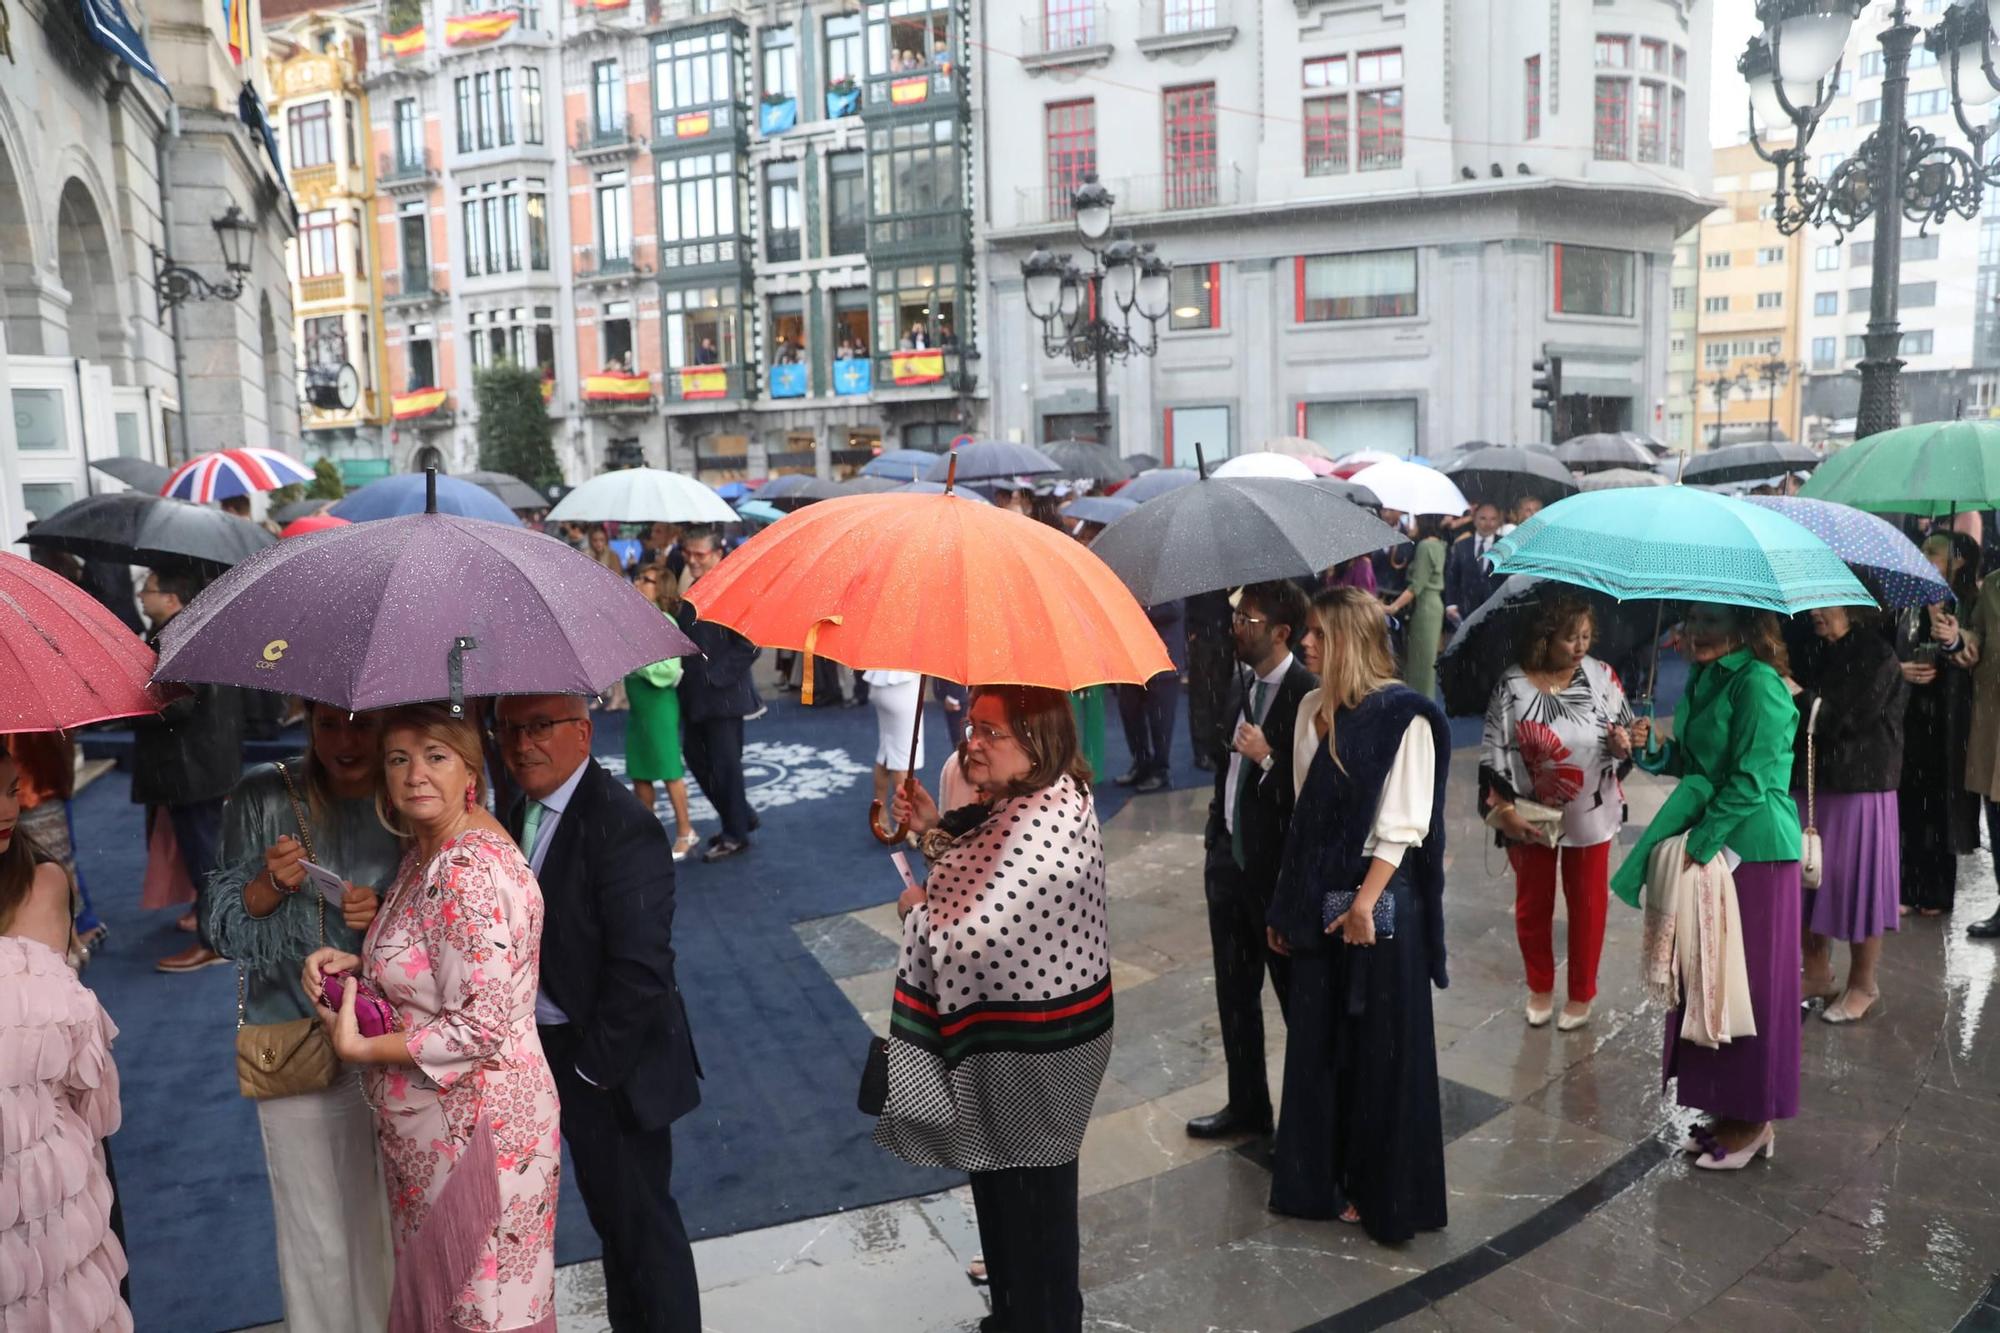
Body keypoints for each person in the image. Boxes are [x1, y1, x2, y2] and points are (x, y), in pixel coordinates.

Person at [303, 704, 559, 1332]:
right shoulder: (428, 851)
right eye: (399, 759)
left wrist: (363, 1048)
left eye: (435, 756)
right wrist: (358, 975)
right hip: (441, 1128)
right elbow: (435, 973)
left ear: (470, 768)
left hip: (476, 1129)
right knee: (456, 1304)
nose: (416, 774)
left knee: (482, 1311)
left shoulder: (463, 869)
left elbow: (479, 1026)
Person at [878, 686, 1109, 1331]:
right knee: (1007, 1200)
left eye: (990, 732)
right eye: (971, 726)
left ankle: (1037, 1319)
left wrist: (917, 911)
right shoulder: (1037, 798)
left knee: (1031, 1217)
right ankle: (1013, 1313)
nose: (971, 743)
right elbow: (980, 861)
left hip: (1035, 1058)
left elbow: (973, 936)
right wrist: (930, 827)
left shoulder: (1042, 821)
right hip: (1023, 1044)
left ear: (1036, 743)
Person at [495, 695, 704, 1333]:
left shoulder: (622, 822)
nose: (522, 744)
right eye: (508, 729)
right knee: (613, 1224)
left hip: (611, 1066)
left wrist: (589, 1076)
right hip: (549, 1049)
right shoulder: (519, 808)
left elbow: (641, 969)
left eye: (539, 728)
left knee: (642, 1230)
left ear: (582, 733)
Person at [206, 705, 397, 1333]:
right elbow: (221, 925)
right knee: (313, 1226)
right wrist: (268, 886)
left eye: (361, 724)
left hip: (392, 1041)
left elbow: (447, 920)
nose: (344, 741)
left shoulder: (410, 786)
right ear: (307, 724)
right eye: (327, 724)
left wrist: (386, 919)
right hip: (292, 1039)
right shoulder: (263, 792)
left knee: (395, 1220)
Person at [1266, 587, 1450, 1241]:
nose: (1305, 643)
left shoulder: (1405, 717)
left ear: (1350, 639)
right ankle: (1326, 1177)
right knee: (1320, 1046)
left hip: (1378, 901)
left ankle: (1384, 1190)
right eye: (1305, 632)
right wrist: (1289, 906)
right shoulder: (1311, 706)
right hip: (1321, 900)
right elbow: (1303, 819)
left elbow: (1404, 826)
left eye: (1317, 633)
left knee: (1379, 1049)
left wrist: (1364, 905)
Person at [1624, 604, 1802, 1169]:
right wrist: (1650, 748)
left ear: (1746, 628)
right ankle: (1727, 1107)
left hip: (1756, 850)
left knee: (1751, 987)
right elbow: (1695, 759)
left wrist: (1699, 849)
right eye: (1692, 623)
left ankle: (1755, 1120)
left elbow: (1750, 780)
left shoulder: (1762, 685)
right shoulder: (1706, 676)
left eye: (1711, 624)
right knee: (1706, 978)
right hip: (1715, 838)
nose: (1696, 635)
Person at [0, 744, 130, 1332]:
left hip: (58, 1186)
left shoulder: (45, 881)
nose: (7, 809)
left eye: (10, 790)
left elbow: (63, 1042)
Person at [1186, 580, 1315, 1140]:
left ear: (1282, 633)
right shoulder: (1242, 682)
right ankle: (1248, 1106)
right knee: (1234, 995)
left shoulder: (1308, 694)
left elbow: (1315, 794)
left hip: (1276, 875)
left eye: (1250, 621)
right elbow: (1224, 763)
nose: (1237, 627)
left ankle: (1309, 1123)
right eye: (1239, 616)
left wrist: (1268, 760)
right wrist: (1217, 837)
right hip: (1229, 864)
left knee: (1296, 1001)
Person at [1480, 595, 1634, 1031]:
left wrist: (1626, 743)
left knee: (1587, 904)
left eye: (1586, 636)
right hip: (1529, 811)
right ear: (1545, 638)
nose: (1579, 646)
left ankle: (1582, 992)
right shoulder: (1513, 684)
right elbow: (1494, 747)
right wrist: (1504, 808)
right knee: (1533, 903)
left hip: (1591, 806)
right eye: (1570, 638)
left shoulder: (1602, 676)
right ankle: (1540, 986)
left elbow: (1624, 732)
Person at [1792, 605, 1905, 1022]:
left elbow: (1844, 718)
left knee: (1860, 884)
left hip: (1860, 784)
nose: (1815, 614)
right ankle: (1817, 971)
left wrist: (1798, 695)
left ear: (1854, 609)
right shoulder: (1810, 646)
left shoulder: (1877, 655)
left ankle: (1864, 983)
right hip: (1809, 779)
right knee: (1809, 876)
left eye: (1825, 604)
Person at [136, 568, 244, 973]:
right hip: (206, 761)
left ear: (171, 598)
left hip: (190, 767)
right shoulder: (199, 627)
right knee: (208, 850)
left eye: (147, 590)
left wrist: (133, 703)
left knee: (204, 855)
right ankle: (210, 920)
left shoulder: (177, 636)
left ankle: (214, 941)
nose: (142, 598)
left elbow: (176, 705)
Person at [1898, 532, 1980, 916]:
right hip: (1911, 714)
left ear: (1956, 562)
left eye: (1934, 552)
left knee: (1942, 806)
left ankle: (1935, 892)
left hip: (1950, 721)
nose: (1925, 556)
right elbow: (1891, 648)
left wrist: (1951, 639)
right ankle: (1905, 886)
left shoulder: (1967, 602)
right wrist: (1901, 671)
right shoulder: (1906, 601)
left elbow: (1972, 651)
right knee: (1908, 801)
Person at [677, 528, 760, 861]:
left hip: (724, 698)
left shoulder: (734, 589)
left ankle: (736, 832)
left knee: (725, 767)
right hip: (695, 696)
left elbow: (750, 644)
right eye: (688, 554)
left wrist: (713, 677)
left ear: (717, 552)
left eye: (700, 555)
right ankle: (740, 816)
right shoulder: (695, 586)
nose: (693, 560)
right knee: (697, 760)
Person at [626, 564, 700, 862]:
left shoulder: (664, 621)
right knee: (640, 772)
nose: (639, 582)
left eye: (648, 580)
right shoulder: (635, 621)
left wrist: (636, 662)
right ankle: (649, 836)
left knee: (669, 770)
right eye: (640, 577)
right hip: (640, 708)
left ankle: (686, 831)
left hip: (658, 706)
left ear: (662, 589)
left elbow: (670, 670)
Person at [1954, 558, 2000, 938]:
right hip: (1993, 725)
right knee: (1997, 820)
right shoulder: (1994, 586)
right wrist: (1960, 639)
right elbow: (1978, 643)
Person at [1114, 599, 1185, 794]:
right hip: (1133, 659)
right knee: (1130, 713)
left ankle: (1161, 770)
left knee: (1161, 720)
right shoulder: (1133, 576)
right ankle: (1141, 762)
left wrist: (1137, 609)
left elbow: (1175, 609)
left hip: (1164, 659)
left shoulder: (1171, 576)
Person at [1385, 515, 1448, 700]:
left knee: (1419, 663)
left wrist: (1393, 607)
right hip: (1433, 605)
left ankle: (1418, 703)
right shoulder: (1440, 544)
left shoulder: (1425, 546)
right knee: (1425, 662)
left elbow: (1416, 586)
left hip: (1424, 607)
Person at [1184, 590, 1234, 772]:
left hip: (1225, 636)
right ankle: (1202, 751)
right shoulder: (1196, 572)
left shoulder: (1228, 569)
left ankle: (1218, 745)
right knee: (1201, 696)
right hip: (1202, 638)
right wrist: (1191, 631)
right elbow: (1188, 602)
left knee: (1222, 695)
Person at [865, 670, 927, 814]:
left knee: (886, 754)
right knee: (902, 761)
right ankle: (905, 824)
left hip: (880, 680)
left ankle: (880, 815)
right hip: (902, 684)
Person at [1444, 502, 1506, 626]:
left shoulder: (1506, 546)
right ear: (1474, 520)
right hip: (1464, 612)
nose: (1488, 524)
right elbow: (1452, 577)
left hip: (1496, 611)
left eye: (1493, 519)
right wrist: (1450, 604)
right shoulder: (1461, 546)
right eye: (1483, 518)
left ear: (1499, 521)